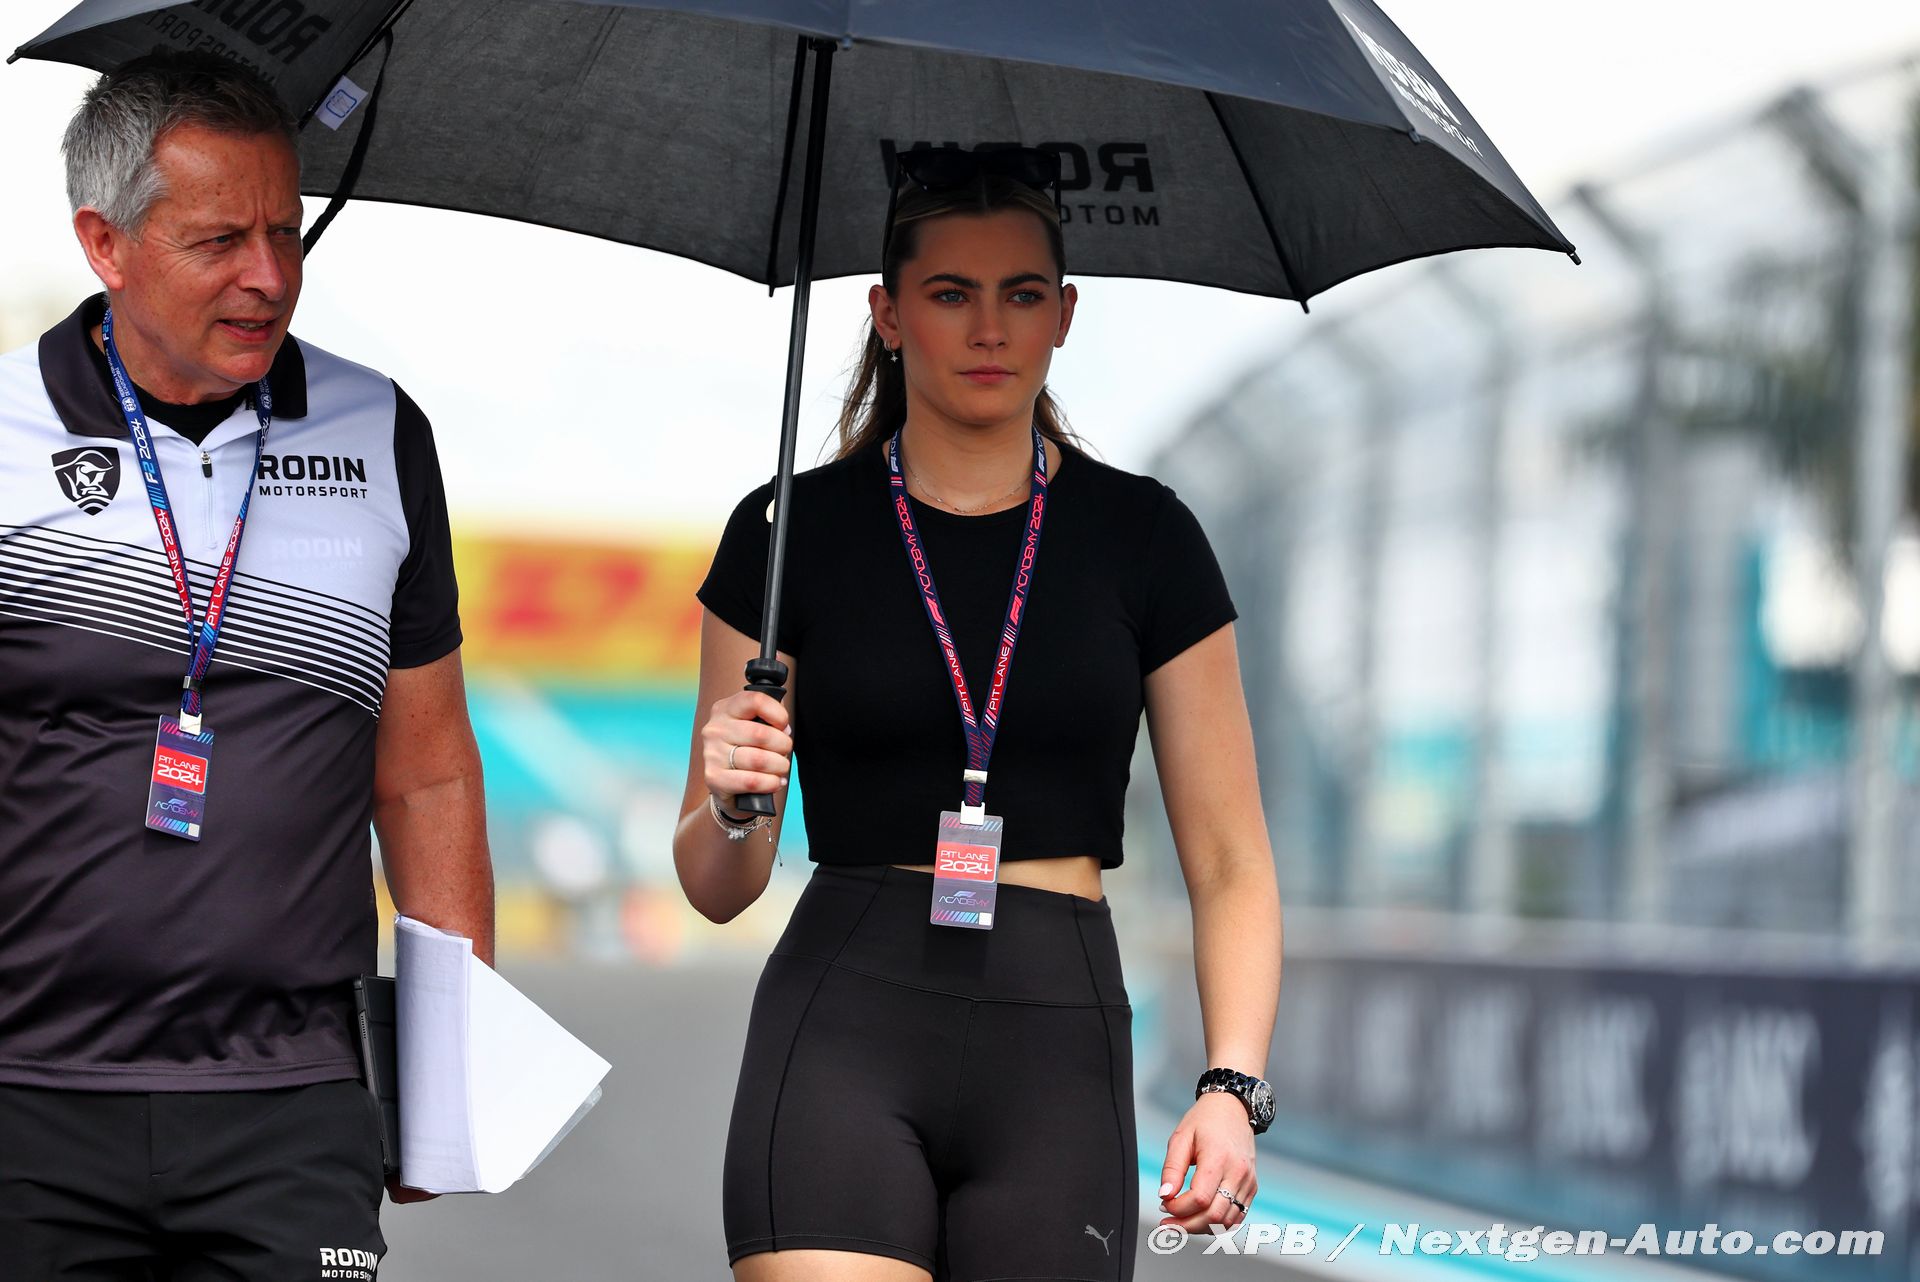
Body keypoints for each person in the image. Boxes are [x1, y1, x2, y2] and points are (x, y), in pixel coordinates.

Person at [674, 148, 1283, 1282]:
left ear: (1065, 316)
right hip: (843, 1021)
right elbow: (718, 888)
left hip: (1058, 1038)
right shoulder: (783, 534)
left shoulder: (1146, 538)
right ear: (888, 314)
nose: (990, 328)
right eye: (951, 293)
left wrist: (1231, 1084)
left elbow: (1231, 859)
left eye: (1023, 293)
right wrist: (733, 800)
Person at [0, 51, 493, 1279]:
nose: (268, 276)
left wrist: (448, 1074)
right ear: (106, 244)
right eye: (220, 240)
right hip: (25, 1096)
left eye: (286, 231)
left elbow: (427, 777)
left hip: (294, 1103)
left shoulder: (381, 429)